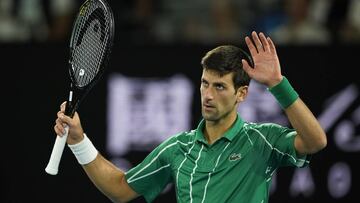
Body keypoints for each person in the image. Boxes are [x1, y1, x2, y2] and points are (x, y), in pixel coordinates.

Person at [54, 31, 327, 203]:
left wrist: (278, 84)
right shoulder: (178, 149)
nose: (208, 95)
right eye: (205, 83)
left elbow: (315, 141)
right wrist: (78, 140)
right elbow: (120, 189)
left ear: (241, 94)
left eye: (219, 87)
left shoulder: (263, 140)